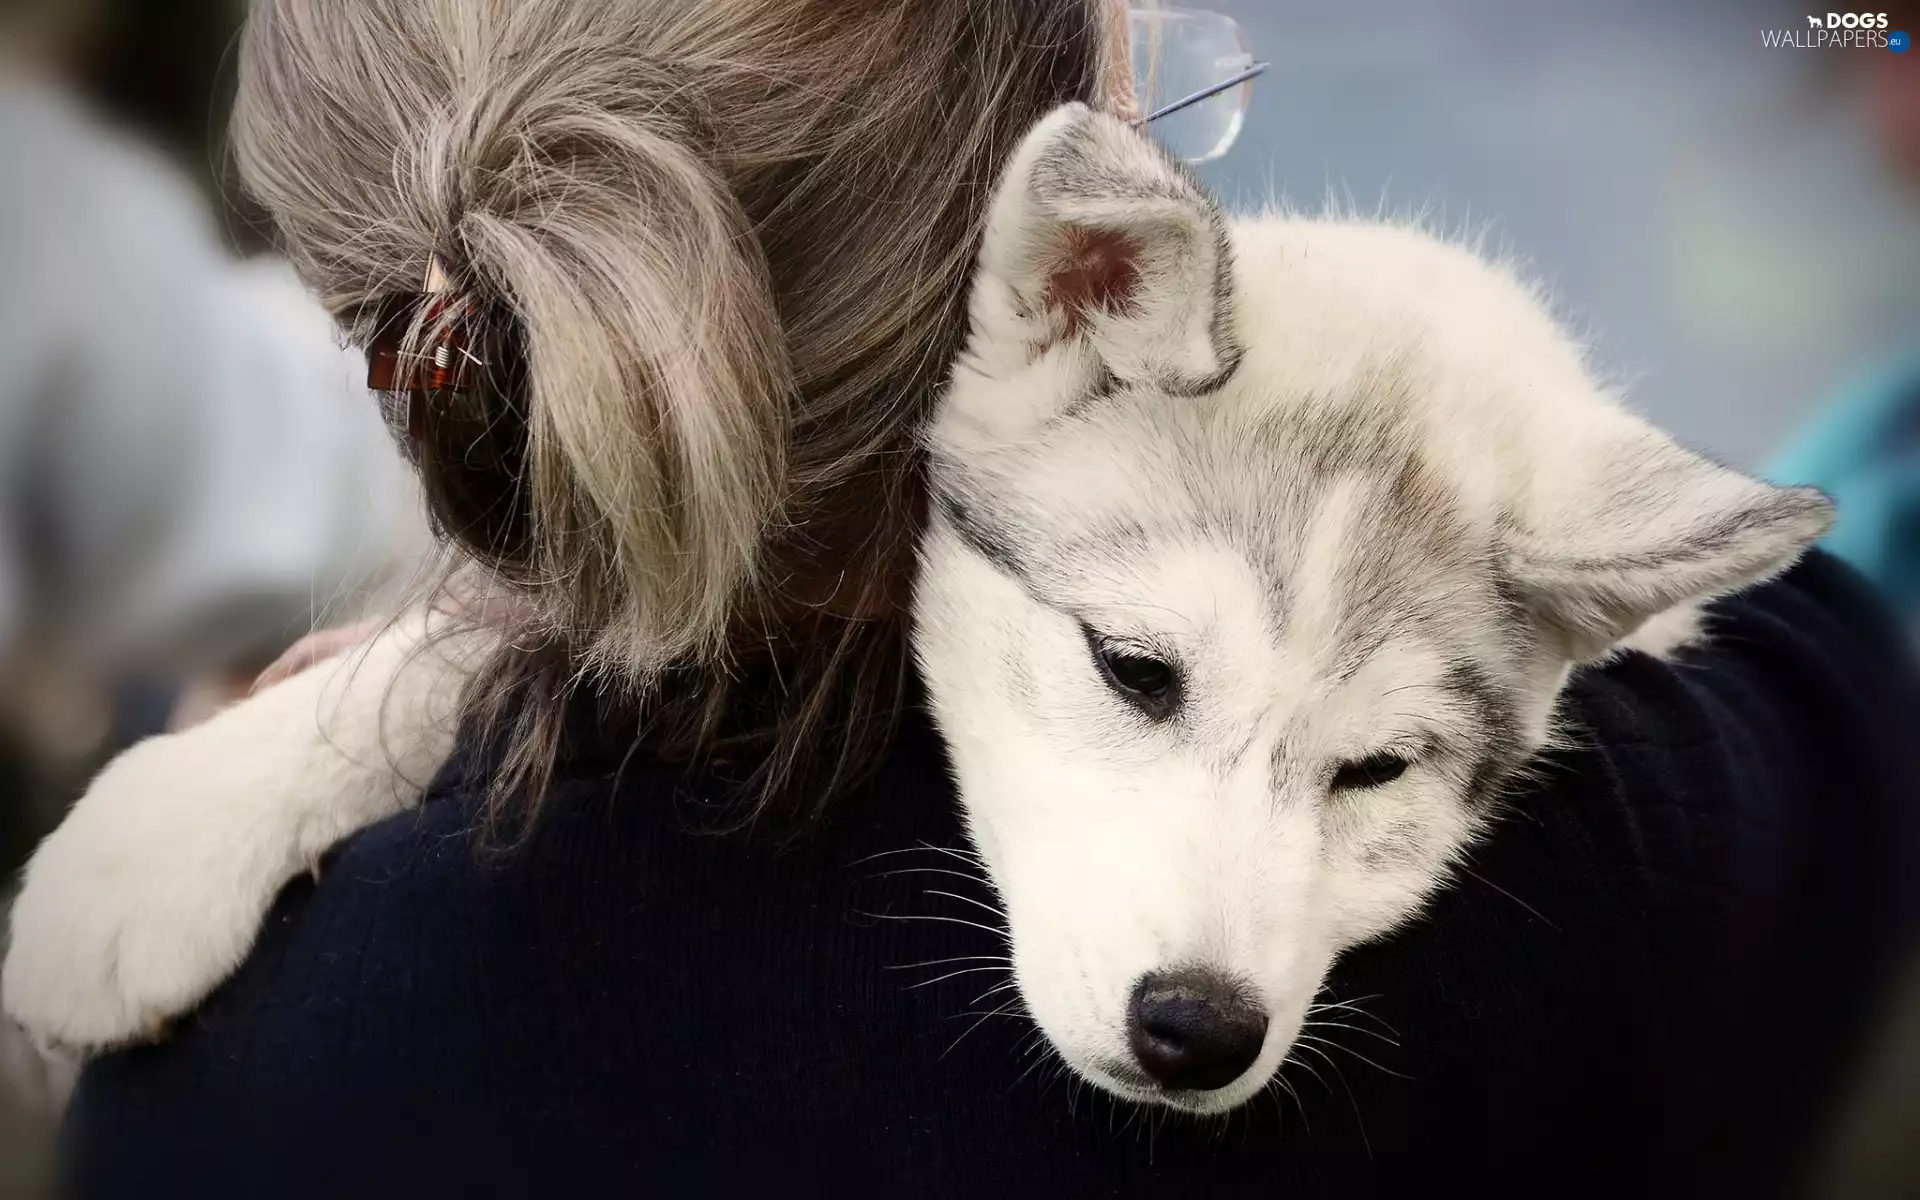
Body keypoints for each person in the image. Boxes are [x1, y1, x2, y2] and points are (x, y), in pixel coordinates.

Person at [52, 2, 1920, 1198]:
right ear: (1050, 277)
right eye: (1170, 70)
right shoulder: (1656, 864)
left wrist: (387, 704)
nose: (1222, 961)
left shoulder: (233, 1073)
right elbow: (1814, 647)